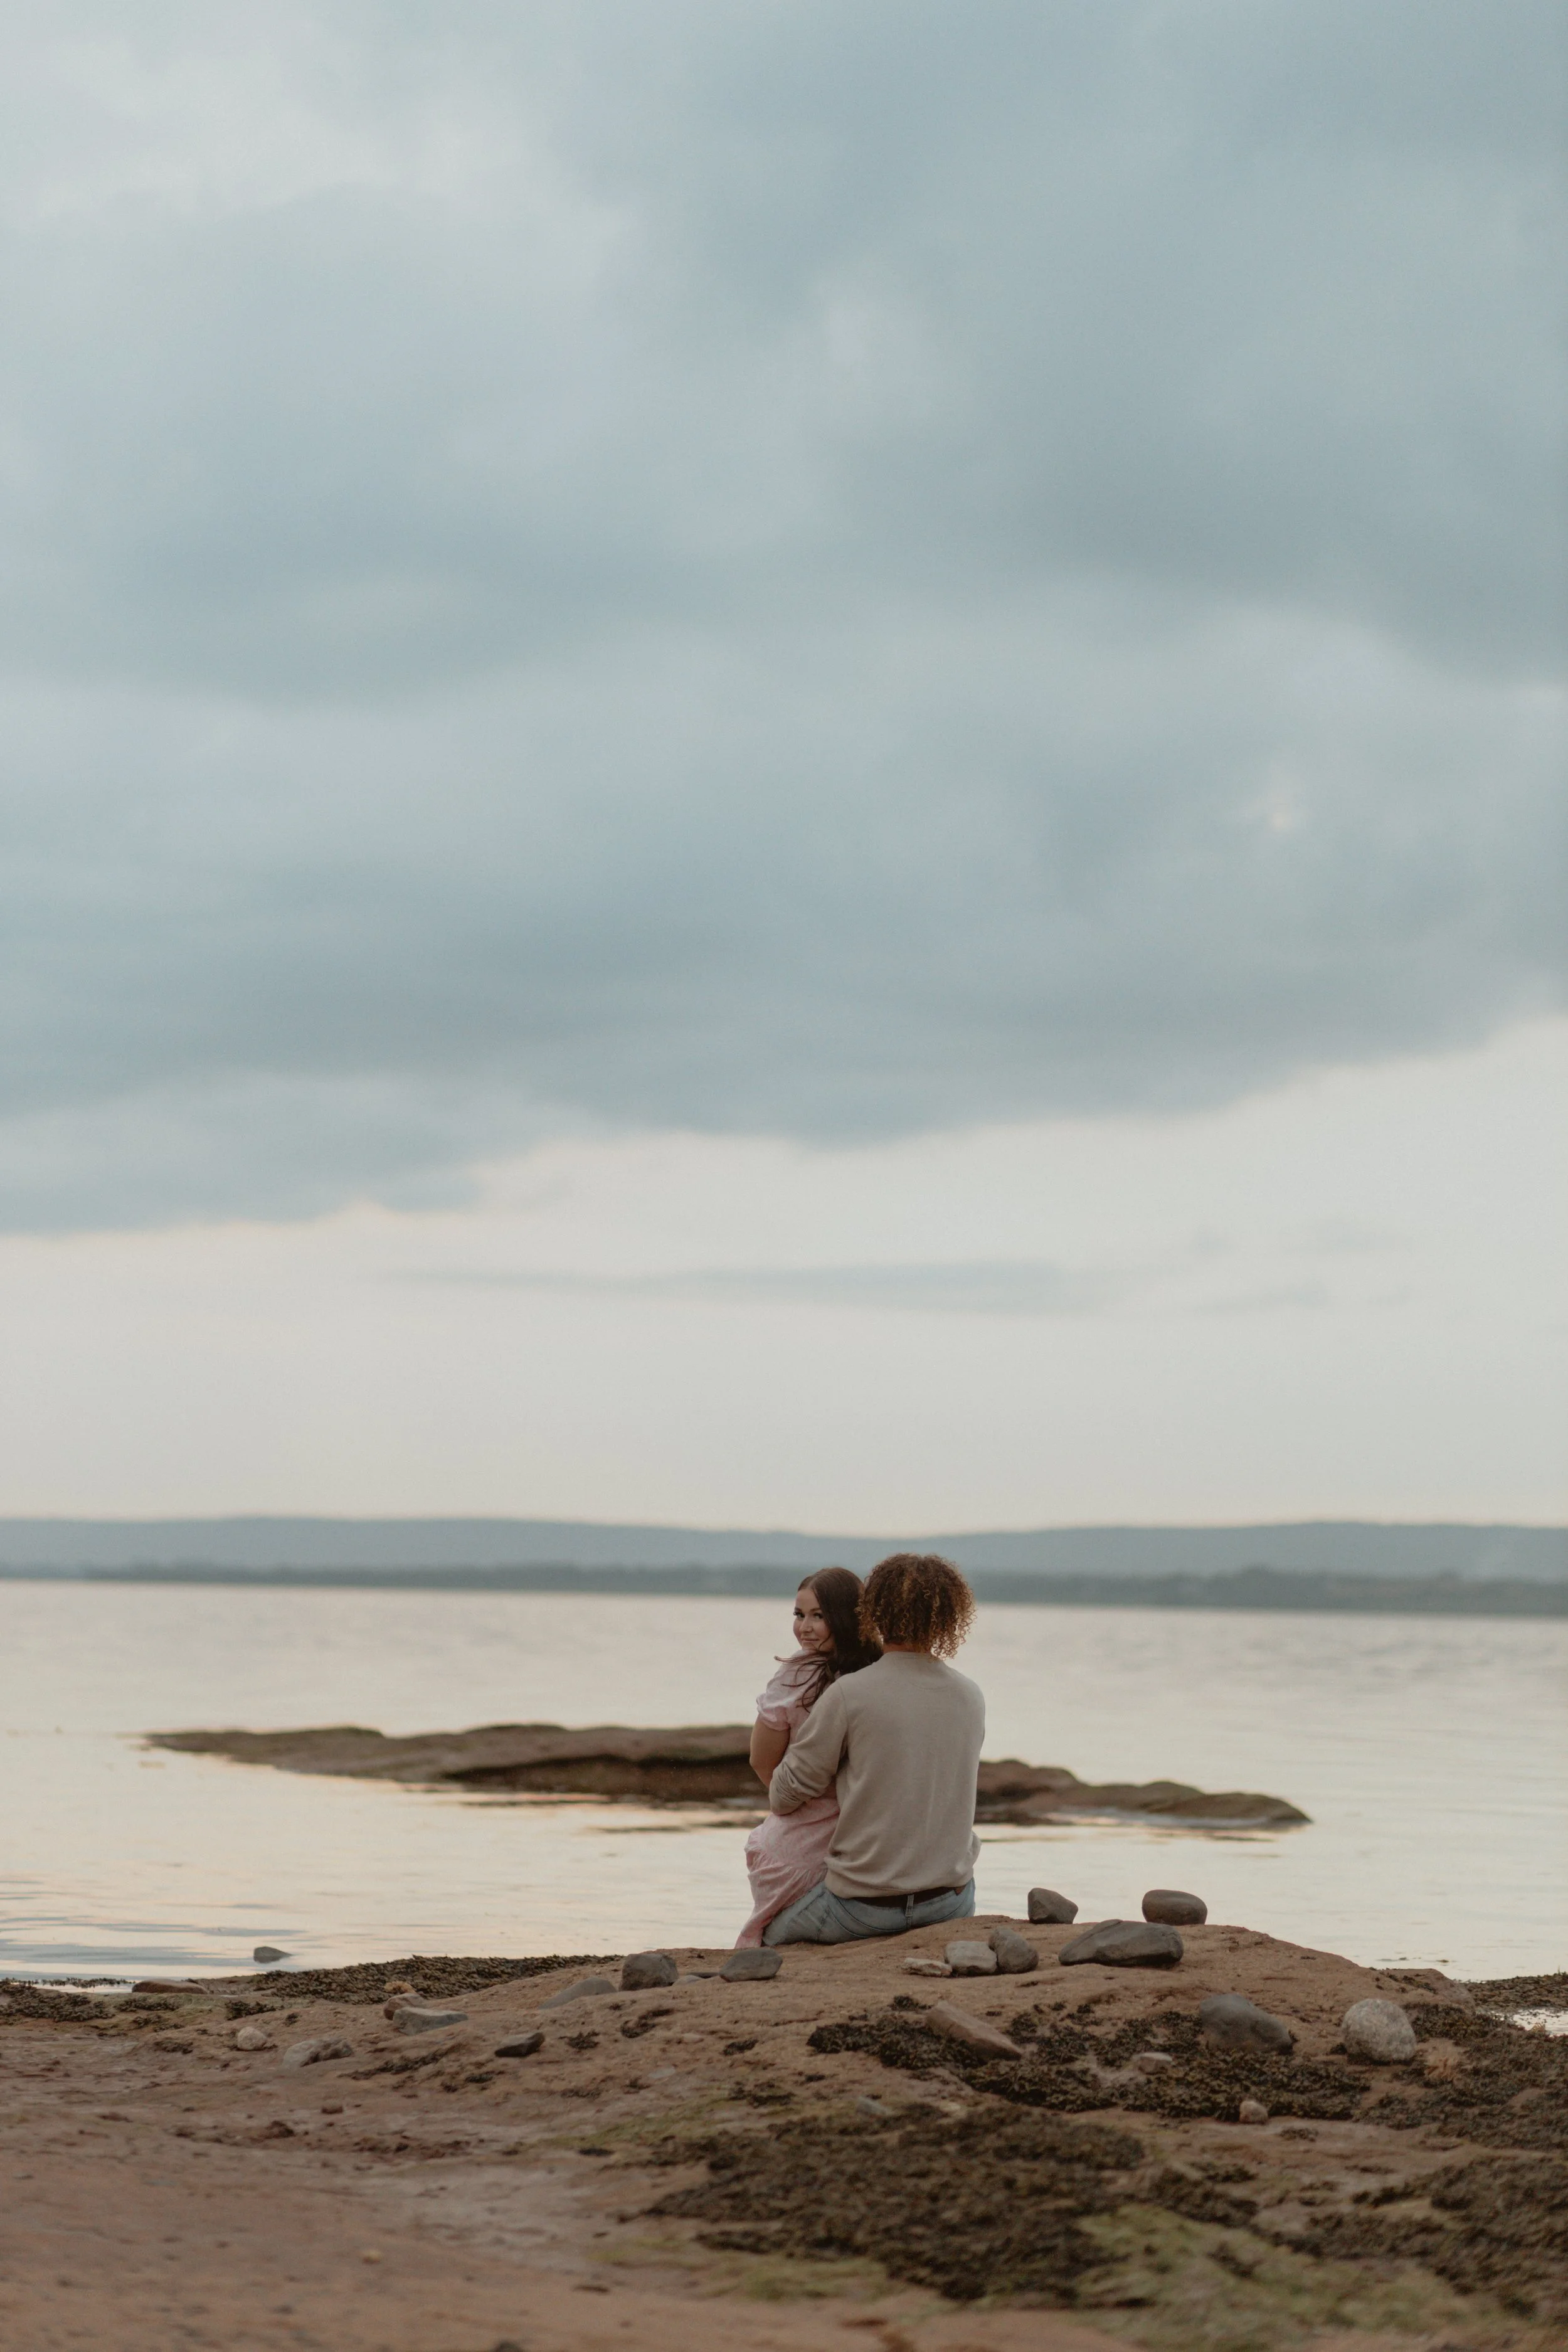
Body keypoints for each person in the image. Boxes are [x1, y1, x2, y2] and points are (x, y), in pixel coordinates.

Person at [761, 1552, 985, 1946]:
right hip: (951, 1903)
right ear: (950, 1617)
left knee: (769, 1934)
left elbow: (783, 1796)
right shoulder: (970, 1695)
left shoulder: (851, 1692)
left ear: (873, 1612)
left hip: (862, 1909)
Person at [734, 1569, 881, 1947]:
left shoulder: (797, 1675)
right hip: (861, 1845)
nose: (805, 1628)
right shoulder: (880, 1674)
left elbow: (762, 1762)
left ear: (849, 1616)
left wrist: (795, 1802)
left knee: (767, 1941)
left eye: (819, 1615)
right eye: (799, 1615)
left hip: (797, 1853)